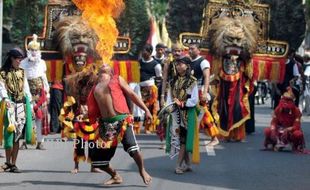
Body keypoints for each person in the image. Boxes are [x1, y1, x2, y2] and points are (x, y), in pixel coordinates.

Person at [87, 64, 152, 185]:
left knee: (133, 148)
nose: (104, 63)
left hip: (122, 120)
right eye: (102, 64)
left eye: (107, 65)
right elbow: (92, 108)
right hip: (106, 125)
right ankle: (115, 176)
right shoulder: (95, 87)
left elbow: (132, 95)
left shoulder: (117, 79)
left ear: (111, 72)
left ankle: (142, 170)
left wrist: (146, 110)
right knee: (98, 161)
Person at [0, 48, 33, 173]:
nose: (20, 61)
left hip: (20, 106)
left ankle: (13, 164)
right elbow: (1, 88)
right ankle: (8, 162)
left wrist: (30, 104)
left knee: (17, 136)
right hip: (9, 105)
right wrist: (6, 99)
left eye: (20, 59)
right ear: (12, 59)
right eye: (18, 59)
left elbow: (26, 89)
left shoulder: (22, 72)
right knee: (9, 134)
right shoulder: (3, 73)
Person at [165, 56, 199, 174]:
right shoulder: (172, 81)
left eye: (181, 64)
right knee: (178, 138)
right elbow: (169, 98)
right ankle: (188, 163)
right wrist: (169, 108)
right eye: (177, 64)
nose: (179, 66)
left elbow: (194, 100)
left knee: (183, 140)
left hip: (187, 115)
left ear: (187, 66)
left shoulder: (192, 81)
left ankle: (178, 165)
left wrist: (182, 104)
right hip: (174, 114)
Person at [20, 34, 50, 150]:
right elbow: (22, 79)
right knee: (26, 117)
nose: (33, 52)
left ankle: (40, 142)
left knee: (40, 118)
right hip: (27, 93)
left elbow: (44, 77)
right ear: (28, 50)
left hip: (40, 93)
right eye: (31, 50)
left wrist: (47, 92)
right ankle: (25, 141)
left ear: (39, 51)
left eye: (35, 50)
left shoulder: (42, 63)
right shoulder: (23, 63)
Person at [189, 44, 219, 146]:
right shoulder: (189, 62)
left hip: (200, 92)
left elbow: (206, 77)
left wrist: (205, 93)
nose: (190, 50)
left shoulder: (203, 62)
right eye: (189, 49)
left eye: (192, 49)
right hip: (191, 93)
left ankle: (214, 138)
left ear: (199, 50)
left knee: (204, 115)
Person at [263, 87, 305, 152]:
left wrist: (288, 129)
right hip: (280, 129)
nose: (286, 103)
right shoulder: (278, 109)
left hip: (290, 131)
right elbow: (273, 122)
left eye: (288, 101)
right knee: (268, 131)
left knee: (298, 134)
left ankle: (296, 145)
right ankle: (274, 143)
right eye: (285, 100)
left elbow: (297, 126)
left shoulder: (296, 110)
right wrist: (273, 130)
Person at [138, 44, 162, 134]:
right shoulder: (139, 62)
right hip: (139, 88)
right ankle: (138, 126)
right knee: (140, 107)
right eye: (142, 51)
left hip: (151, 89)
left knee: (151, 108)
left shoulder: (156, 65)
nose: (143, 53)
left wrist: (157, 93)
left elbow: (159, 78)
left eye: (145, 51)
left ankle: (149, 127)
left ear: (150, 52)